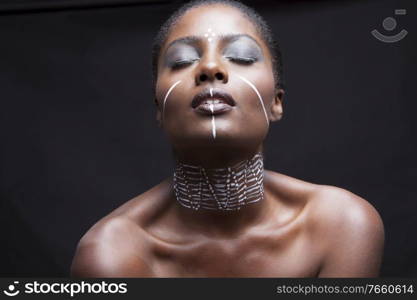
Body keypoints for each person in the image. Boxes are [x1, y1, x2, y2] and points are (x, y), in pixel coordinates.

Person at [70, 0, 384, 277]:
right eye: (180, 61)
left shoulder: (342, 225)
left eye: (242, 56)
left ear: (276, 101)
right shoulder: (111, 255)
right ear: (159, 110)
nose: (210, 67)